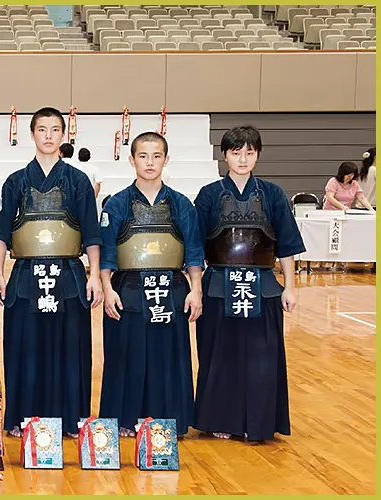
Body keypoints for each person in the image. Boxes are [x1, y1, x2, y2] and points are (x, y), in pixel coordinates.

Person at [0, 107, 103, 439]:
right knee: (25, 347)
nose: (49, 135)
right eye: (42, 129)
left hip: (68, 274)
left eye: (55, 129)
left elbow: (92, 234)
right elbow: (2, 234)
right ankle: (22, 416)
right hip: (25, 274)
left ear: (64, 135)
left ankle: (71, 419)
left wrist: (94, 275)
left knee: (70, 348)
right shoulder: (16, 181)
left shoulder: (77, 180)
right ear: (32, 134)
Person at [193, 125, 305, 442]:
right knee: (219, 356)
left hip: (263, 286)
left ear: (257, 155)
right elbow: (195, 247)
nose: (243, 159)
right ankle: (220, 420)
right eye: (236, 152)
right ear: (225, 155)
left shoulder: (272, 194)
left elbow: (286, 244)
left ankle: (258, 422)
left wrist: (291, 286)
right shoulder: (210, 195)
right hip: (219, 286)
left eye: (249, 152)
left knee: (262, 358)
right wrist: (196, 287)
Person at [98, 132, 203, 438]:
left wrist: (195, 289)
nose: (149, 162)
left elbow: (194, 250)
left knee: (167, 355)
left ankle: (170, 419)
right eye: (143, 156)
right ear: (132, 160)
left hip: (171, 288)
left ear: (166, 160)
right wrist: (108, 288)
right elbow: (106, 253)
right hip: (128, 288)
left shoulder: (181, 203)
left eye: (156, 156)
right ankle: (125, 419)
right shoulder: (117, 203)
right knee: (126, 354)